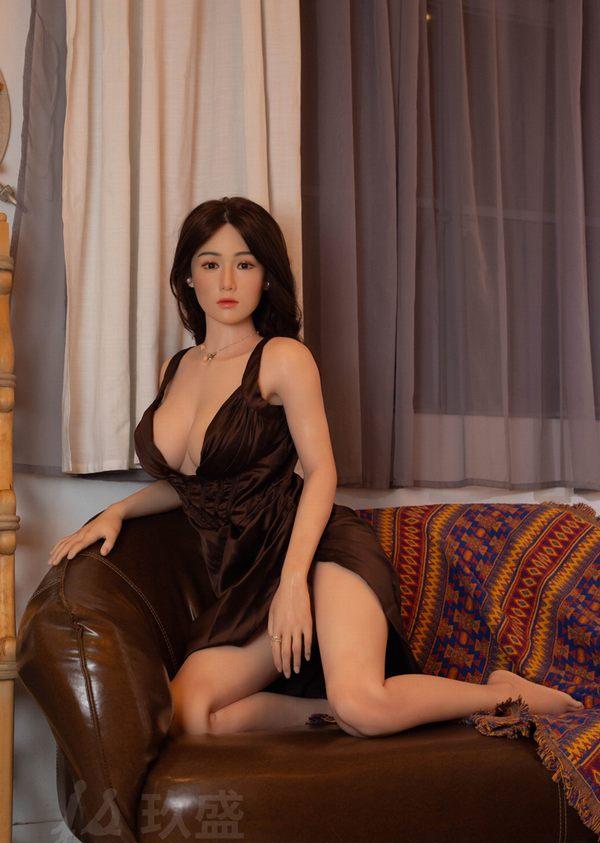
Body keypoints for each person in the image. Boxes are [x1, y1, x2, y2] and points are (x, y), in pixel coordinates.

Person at [47, 196, 583, 738]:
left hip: (316, 550)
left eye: (245, 263)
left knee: (365, 706)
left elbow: (321, 471)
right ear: (188, 276)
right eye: (210, 263)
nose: (227, 280)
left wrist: (293, 583)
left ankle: (503, 693)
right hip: (244, 579)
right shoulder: (175, 367)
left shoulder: (283, 357)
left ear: (266, 277)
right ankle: (331, 716)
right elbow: (196, 488)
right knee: (192, 716)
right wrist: (117, 511)